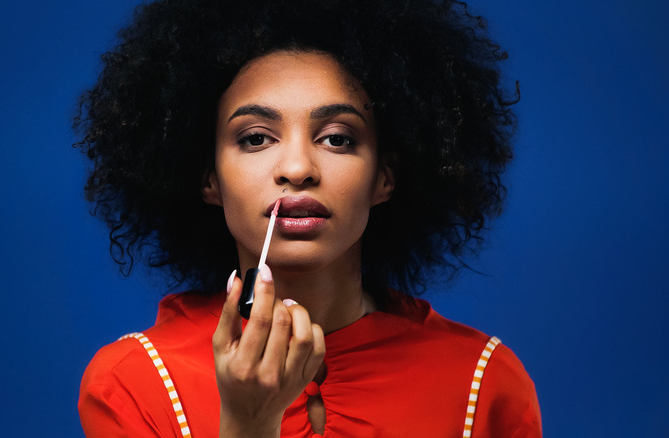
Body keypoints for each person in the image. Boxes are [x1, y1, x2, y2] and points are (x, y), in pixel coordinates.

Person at [75, 0, 541, 436]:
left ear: (385, 177)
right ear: (208, 179)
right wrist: (247, 424)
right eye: (256, 138)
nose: (297, 169)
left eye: (337, 139)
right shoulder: (133, 382)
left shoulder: (484, 383)